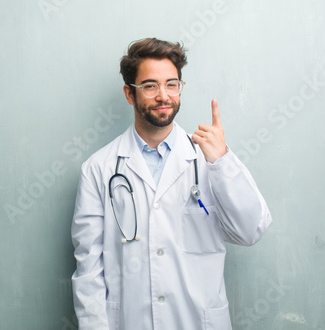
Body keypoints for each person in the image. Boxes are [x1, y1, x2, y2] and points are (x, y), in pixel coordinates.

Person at [70, 38, 272, 330]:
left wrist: (223, 162)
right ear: (130, 93)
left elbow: (251, 231)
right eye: (150, 86)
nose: (163, 95)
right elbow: (88, 269)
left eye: (172, 84)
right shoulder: (98, 169)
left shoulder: (209, 158)